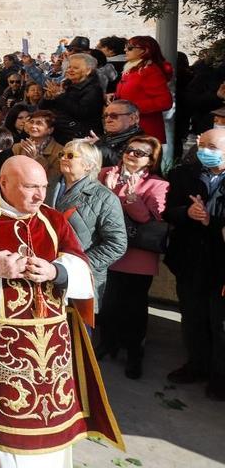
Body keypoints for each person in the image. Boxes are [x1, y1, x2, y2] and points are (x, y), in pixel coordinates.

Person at [0, 156, 124, 466]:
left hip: (52, 357)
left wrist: (56, 271)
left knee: (52, 437)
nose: (40, 196)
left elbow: (82, 267)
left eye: (44, 187)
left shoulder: (53, 220)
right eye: (31, 187)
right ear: (3, 183)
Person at [162, 127, 225, 398]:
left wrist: (213, 221)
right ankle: (196, 365)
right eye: (201, 145)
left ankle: (219, 377)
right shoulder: (182, 174)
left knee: (219, 323)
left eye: (211, 147)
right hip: (188, 260)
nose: (203, 151)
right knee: (192, 317)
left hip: (220, 263)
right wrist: (187, 212)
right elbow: (168, 212)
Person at [97, 135, 167, 379]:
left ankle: (134, 354)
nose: (132, 154)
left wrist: (132, 197)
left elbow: (150, 218)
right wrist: (107, 190)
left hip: (138, 255)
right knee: (108, 305)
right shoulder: (106, 173)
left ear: (150, 160)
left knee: (134, 309)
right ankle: (108, 343)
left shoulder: (157, 184)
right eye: (130, 150)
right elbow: (97, 208)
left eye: (140, 153)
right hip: (108, 252)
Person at [45, 138, 127, 311]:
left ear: (89, 165)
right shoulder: (46, 187)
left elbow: (117, 244)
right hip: (44, 273)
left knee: (77, 334)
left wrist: (80, 264)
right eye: (62, 154)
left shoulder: (104, 197)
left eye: (70, 155)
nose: (63, 158)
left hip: (80, 279)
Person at [114, 35, 174, 142]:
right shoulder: (132, 69)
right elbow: (132, 92)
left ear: (144, 51)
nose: (125, 50)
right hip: (128, 127)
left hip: (144, 130)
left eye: (130, 48)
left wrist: (131, 108)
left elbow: (165, 102)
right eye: (126, 47)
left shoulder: (150, 71)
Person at [41, 52, 104, 142]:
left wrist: (60, 95)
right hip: (61, 132)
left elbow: (82, 113)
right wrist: (48, 97)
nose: (70, 70)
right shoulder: (66, 85)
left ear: (88, 70)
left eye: (75, 68)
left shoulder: (94, 89)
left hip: (81, 137)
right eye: (69, 67)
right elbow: (43, 108)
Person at [11, 108, 63, 182]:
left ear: (50, 130)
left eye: (39, 123)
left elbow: (53, 179)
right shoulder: (17, 147)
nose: (33, 126)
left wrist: (36, 158)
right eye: (31, 122)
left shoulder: (59, 151)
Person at [94, 99, 143, 167]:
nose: (107, 120)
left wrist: (94, 148)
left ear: (132, 119)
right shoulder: (110, 136)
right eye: (105, 116)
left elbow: (123, 163)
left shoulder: (142, 141)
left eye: (114, 116)